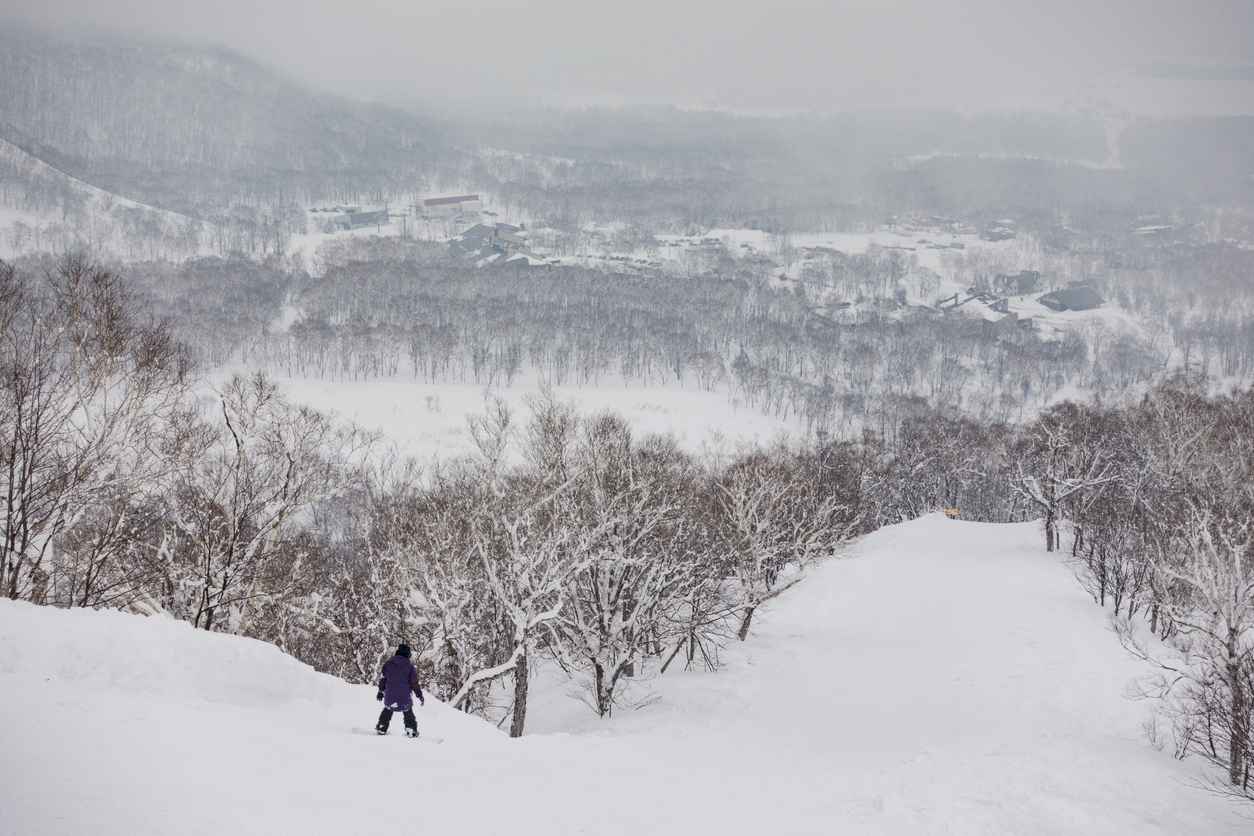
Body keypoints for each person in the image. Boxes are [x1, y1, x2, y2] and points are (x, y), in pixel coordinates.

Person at [376, 644, 424, 737]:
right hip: (404, 695)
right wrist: (419, 695)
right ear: (408, 655)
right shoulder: (409, 667)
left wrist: (380, 691)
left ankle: (382, 726)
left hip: (390, 694)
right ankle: (411, 729)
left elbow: (383, 679)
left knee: (387, 711)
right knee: (408, 713)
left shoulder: (388, 664)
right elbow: (414, 684)